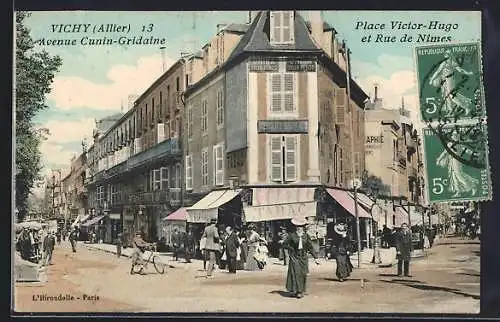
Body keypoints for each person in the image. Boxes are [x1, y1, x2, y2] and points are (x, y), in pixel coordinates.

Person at [284, 216, 320, 299]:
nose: (299, 228)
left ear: (303, 227)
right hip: (294, 256)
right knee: (296, 273)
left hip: (303, 257)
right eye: (297, 226)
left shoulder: (306, 236)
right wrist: (291, 250)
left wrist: (316, 258)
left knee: (303, 273)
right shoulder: (292, 235)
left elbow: (310, 247)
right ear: (295, 227)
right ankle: (298, 291)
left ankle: (301, 290)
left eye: (301, 226)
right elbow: (285, 245)